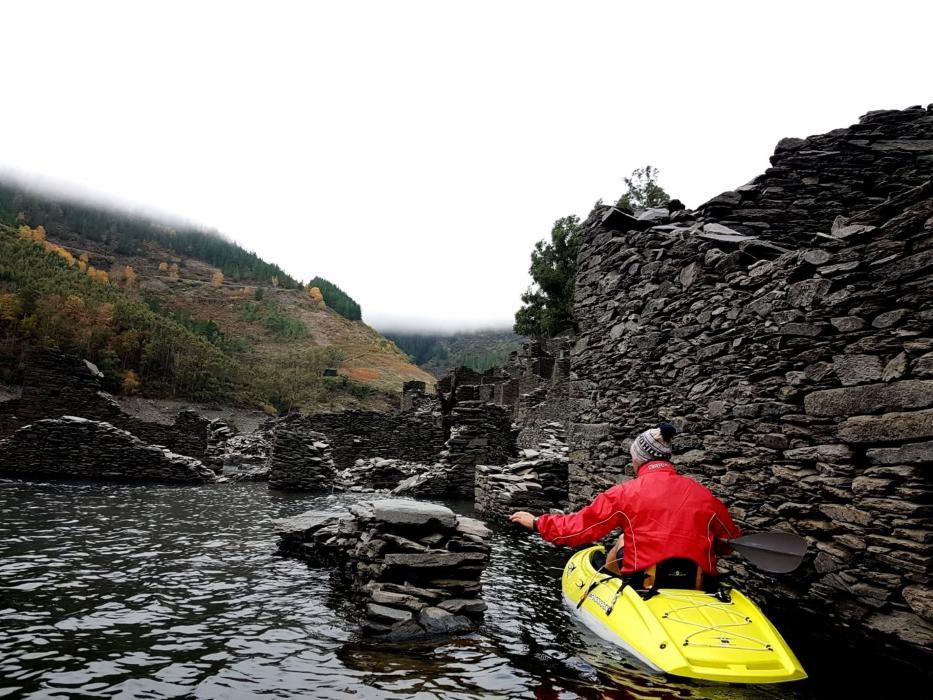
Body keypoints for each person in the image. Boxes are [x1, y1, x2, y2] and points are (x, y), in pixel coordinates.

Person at [509, 423, 741, 588]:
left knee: (621, 541)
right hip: (698, 581)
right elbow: (728, 543)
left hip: (646, 579)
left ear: (639, 459)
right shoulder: (702, 494)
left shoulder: (625, 493)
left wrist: (538, 523)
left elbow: (580, 528)